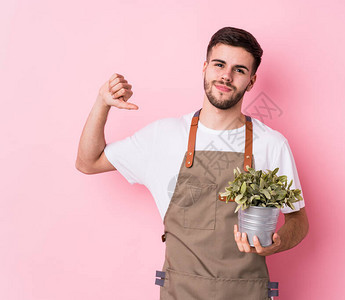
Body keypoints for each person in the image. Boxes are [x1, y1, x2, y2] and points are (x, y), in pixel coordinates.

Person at [76, 26, 309, 299]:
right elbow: (88, 162)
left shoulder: (271, 143)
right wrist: (102, 103)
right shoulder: (163, 136)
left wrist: (277, 244)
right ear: (205, 67)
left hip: (247, 293)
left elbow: (298, 219)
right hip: (180, 292)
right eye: (219, 64)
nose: (226, 75)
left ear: (252, 81)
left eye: (239, 70)